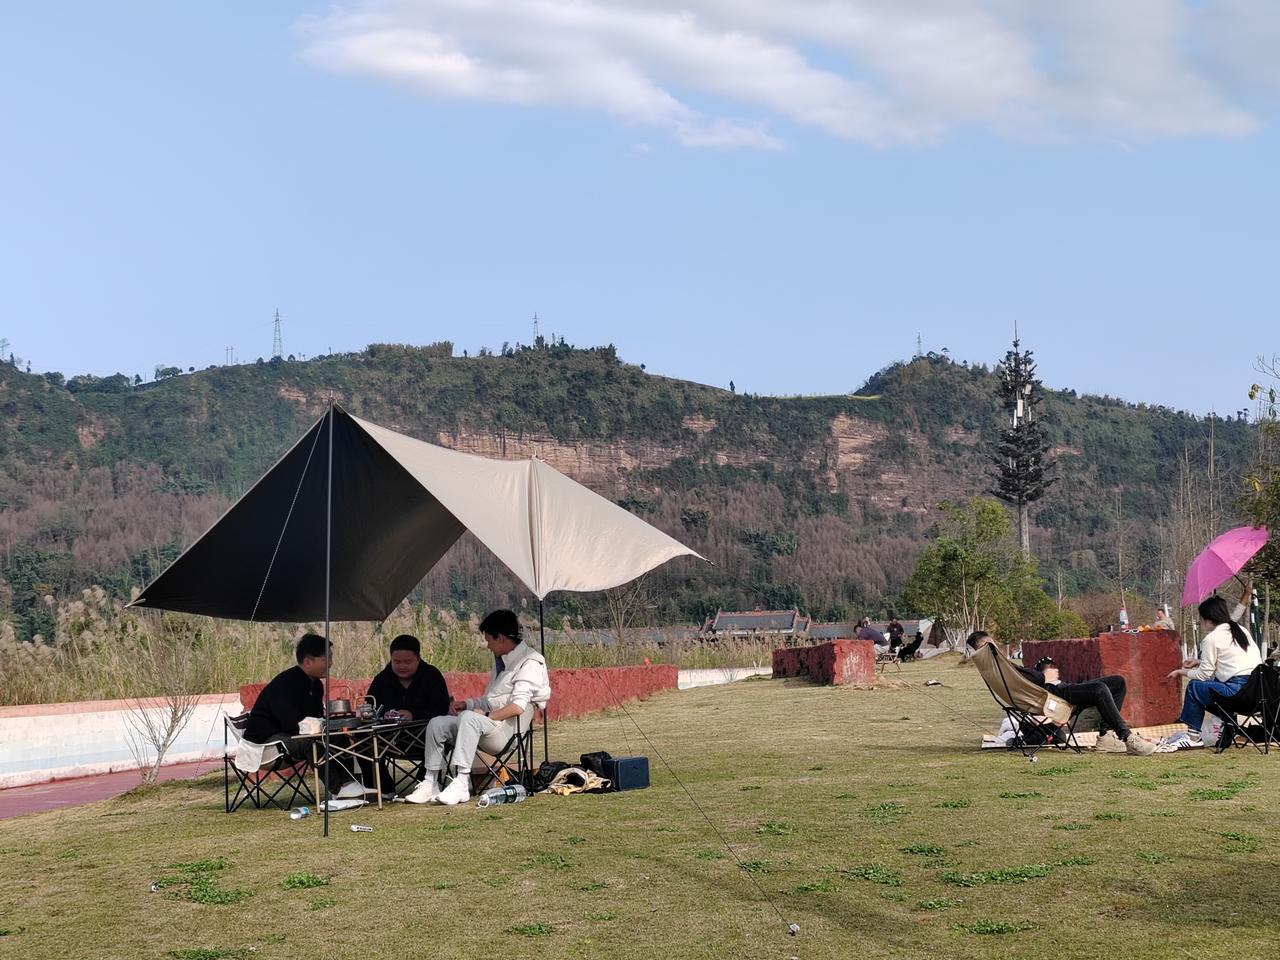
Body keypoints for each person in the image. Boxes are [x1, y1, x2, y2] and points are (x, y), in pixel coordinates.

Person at [404, 610, 551, 806]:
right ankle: (431, 781)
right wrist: (467, 704)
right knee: (438, 723)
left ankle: (462, 782)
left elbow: (517, 707)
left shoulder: (530, 662)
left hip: (505, 733)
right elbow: (492, 699)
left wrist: (486, 715)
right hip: (485, 727)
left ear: (500, 638)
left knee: (468, 718)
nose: (488, 645)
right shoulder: (502, 662)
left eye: (489, 639)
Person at [966, 631, 1156, 756]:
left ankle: (1105, 737)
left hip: (1052, 692)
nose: (996, 645)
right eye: (992, 643)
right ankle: (1127, 737)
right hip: (1054, 696)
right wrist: (1044, 675)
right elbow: (1037, 679)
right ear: (987, 645)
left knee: (1117, 682)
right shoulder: (1000, 665)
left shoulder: (995, 668)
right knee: (1100, 689)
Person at [243, 633, 363, 798]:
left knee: (337, 736)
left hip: (290, 735)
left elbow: (315, 719)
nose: (331, 664)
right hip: (266, 742)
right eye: (326, 658)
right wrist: (319, 729)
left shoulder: (316, 685)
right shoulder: (285, 684)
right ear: (308, 661)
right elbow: (290, 722)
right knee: (312, 742)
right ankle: (337, 789)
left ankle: (350, 783)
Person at [358, 634, 451, 795]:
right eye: (397, 662)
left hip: (424, 736)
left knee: (443, 734)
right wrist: (381, 714)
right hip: (389, 738)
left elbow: (441, 709)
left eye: (407, 662)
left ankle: (426, 782)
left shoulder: (431, 675)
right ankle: (382, 787)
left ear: (418, 658)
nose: (402, 666)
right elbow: (370, 706)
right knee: (361, 741)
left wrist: (413, 714)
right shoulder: (382, 679)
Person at [1166, 595, 1262, 744]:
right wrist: (1198, 662)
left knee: (1194, 687)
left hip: (1237, 694)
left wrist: (1181, 672)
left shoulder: (1212, 638)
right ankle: (1229, 727)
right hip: (1258, 693)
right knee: (1214, 685)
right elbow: (1231, 662)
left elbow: (1204, 675)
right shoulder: (1241, 630)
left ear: (1208, 619)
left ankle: (1193, 737)